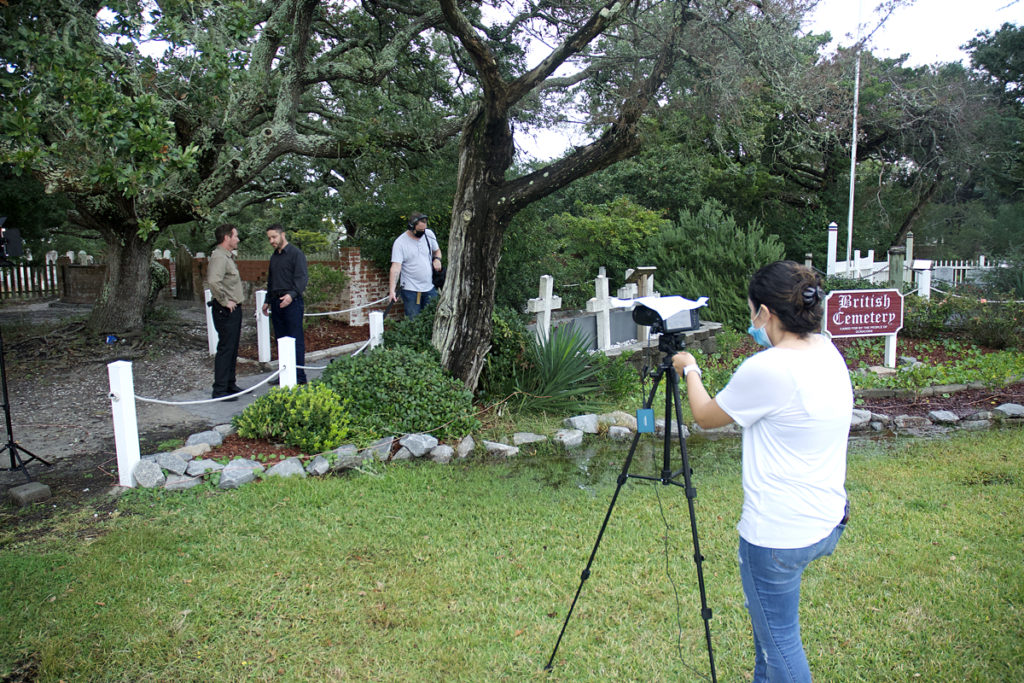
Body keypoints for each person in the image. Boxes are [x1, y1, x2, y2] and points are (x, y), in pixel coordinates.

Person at [672, 260, 853, 683]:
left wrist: (690, 369)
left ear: (766, 314)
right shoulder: (828, 350)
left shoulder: (768, 369)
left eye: (753, 311)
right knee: (770, 640)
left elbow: (704, 416)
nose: (751, 321)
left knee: (781, 645)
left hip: (777, 538)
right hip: (827, 519)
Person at [261, 224, 309, 384]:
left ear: (283, 235)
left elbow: (302, 279)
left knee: (295, 340)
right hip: (276, 302)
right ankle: (285, 375)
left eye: (274, 237)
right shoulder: (274, 257)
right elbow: (271, 280)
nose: (271, 241)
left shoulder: (296, 254)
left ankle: (300, 377)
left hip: (292, 303)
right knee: (281, 340)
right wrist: (267, 301)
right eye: (269, 238)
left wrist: (291, 295)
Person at [206, 223, 244, 401]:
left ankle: (230, 384)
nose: (237, 239)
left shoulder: (227, 256)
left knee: (232, 347)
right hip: (225, 310)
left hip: (233, 309)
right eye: (235, 236)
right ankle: (220, 390)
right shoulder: (219, 257)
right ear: (227, 237)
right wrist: (224, 300)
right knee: (226, 348)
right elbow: (214, 281)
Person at [389, 212, 442, 319]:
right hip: (411, 290)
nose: (423, 232)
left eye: (424, 229)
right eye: (420, 230)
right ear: (411, 227)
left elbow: (437, 251)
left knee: (433, 319)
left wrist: (437, 259)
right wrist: (392, 290)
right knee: (413, 322)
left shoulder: (429, 234)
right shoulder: (400, 243)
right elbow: (396, 267)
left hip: (429, 288)